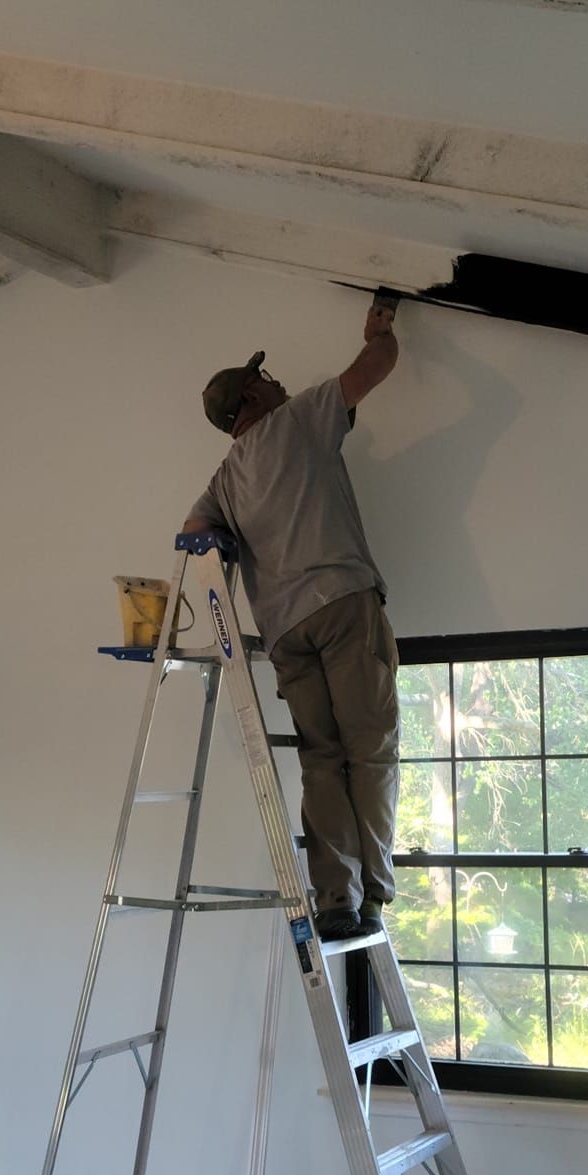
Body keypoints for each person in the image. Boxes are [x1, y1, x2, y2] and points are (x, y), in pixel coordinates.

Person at [182, 296, 402, 941]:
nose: (274, 380)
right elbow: (377, 365)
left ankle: (335, 897)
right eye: (262, 378)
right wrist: (379, 332)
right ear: (249, 399)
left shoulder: (225, 478)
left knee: (320, 758)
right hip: (341, 605)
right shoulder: (302, 416)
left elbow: (193, 532)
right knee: (372, 752)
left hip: (285, 632)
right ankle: (373, 897)